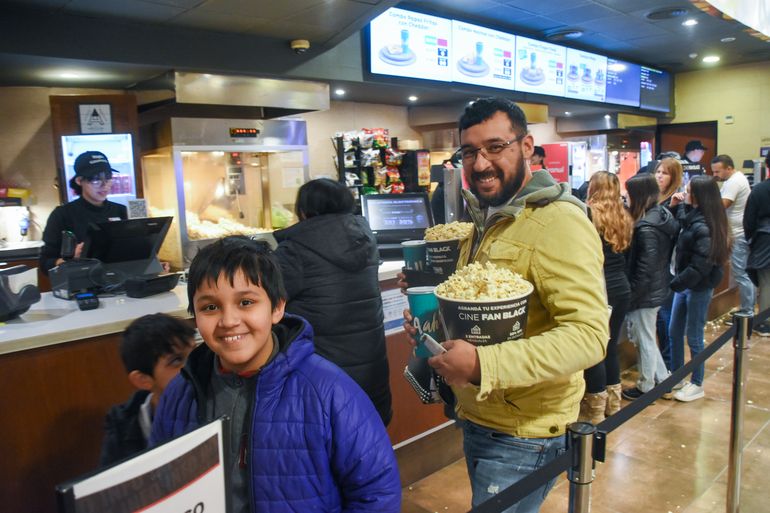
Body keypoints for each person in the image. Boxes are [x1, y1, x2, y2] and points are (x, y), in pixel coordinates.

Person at [403, 97, 608, 513]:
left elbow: (589, 336)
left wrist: (483, 366)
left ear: (527, 146)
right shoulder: (484, 217)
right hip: (481, 415)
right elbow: (485, 313)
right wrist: (436, 326)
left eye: (495, 147)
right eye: (470, 152)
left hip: (524, 433)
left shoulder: (560, 222)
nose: (480, 164)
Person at [150, 237, 401, 513]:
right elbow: (162, 485)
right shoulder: (182, 392)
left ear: (277, 308)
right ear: (195, 317)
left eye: (246, 302)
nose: (228, 320)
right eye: (210, 307)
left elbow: (377, 492)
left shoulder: (329, 393)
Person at [273, 178, 392, 424]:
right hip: (371, 379)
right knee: (363, 448)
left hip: (323, 382)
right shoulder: (365, 239)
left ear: (303, 211)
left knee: (327, 450)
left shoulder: (295, 250)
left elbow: (262, 297)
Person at [99, 313, 196, 467]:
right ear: (143, 380)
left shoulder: (214, 402)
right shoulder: (123, 427)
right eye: (177, 360)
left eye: (195, 353)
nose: (194, 365)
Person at [666, 176, 731, 402]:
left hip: (697, 286)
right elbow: (684, 225)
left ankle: (696, 382)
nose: (685, 192)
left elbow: (701, 264)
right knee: (674, 331)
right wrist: (676, 207)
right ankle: (677, 376)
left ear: (699, 195)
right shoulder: (696, 217)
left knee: (694, 335)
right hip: (685, 283)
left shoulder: (706, 224)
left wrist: (676, 283)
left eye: (689, 190)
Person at [579, 171, 633, 424]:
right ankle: (613, 401)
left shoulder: (589, 214)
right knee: (610, 346)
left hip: (599, 287)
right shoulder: (624, 215)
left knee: (594, 348)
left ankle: (595, 410)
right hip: (621, 286)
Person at [621, 173, 679, 401]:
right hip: (658, 287)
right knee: (646, 336)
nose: (626, 197)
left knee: (644, 338)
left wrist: (632, 295)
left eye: (629, 193)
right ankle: (664, 381)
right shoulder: (662, 215)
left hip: (646, 293)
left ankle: (646, 386)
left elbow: (644, 268)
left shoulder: (646, 227)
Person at [40, 151, 127, 274]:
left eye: (108, 178)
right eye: (96, 180)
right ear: (79, 180)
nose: (104, 185)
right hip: (80, 286)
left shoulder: (122, 211)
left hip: (120, 283)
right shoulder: (62, 215)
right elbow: (45, 264)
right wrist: (70, 260)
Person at [711, 154, 754, 317]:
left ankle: (747, 310)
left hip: (737, 234)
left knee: (741, 273)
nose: (715, 175)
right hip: (737, 232)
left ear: (729, 168)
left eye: (717, 171)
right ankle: (745, 306)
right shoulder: (735, 179)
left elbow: (723, 205)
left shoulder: (734, 182)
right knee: (742, 273)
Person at [653, 157, 684, 371]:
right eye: (658, 171)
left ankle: (670, 367)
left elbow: (673, 231)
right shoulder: (658, 198)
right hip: (660, 266)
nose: (659, 176)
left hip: (670, 268)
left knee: (666, 319)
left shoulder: (677, 200)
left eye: (664, 173)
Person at [744, 152, 770, 336]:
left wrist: (751, 239)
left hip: (764, 238)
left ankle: (765, 323)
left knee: (766, 282)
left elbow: (749, 220)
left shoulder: (760, 190)